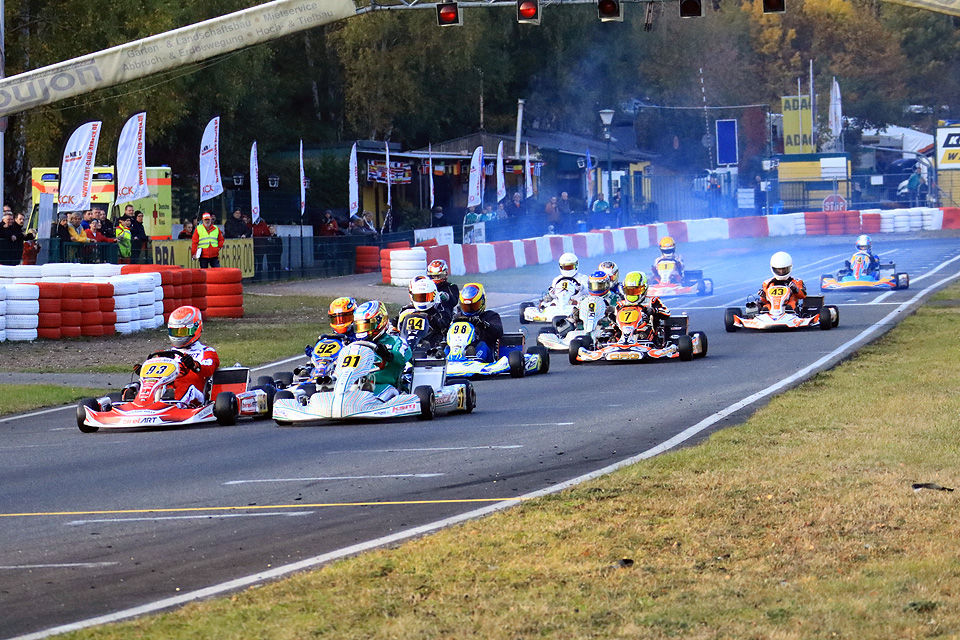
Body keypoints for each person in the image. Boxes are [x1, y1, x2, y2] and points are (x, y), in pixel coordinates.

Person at [150, 305, 220, 408]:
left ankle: (171, 405)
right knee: (146, 385)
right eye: (175, 332)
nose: (179, 336)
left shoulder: (206, 352)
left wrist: (194, 365)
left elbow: (208, 368)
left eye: (183, 332)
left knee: (184, 385)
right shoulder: (166, 354)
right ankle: (138, 402)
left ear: (196, 328)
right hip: (166, 389)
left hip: (195, 392)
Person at [353, 300, 412, 399]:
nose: (363, 330)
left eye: (367, 325)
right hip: (355, 384)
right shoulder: (354, 345)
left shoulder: (396, 341)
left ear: (380, 321)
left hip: (384, 384)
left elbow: (403, 358)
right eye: (360, 326)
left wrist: (388, 355)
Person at [395, 276, 452, 351]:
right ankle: (406, 348)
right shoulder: (407, 310)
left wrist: (432, 319)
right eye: (419, 297)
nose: (421, 300)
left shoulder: (440, 310)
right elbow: (395, 323)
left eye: (425, 297)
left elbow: (445, 325)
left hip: (433, 346)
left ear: (434, 295)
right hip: (407, 342)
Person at [453, 283, 503, 362]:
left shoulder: (490, 316)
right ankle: (446, 361)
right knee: (447, 348)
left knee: (481, 345)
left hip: (485, 350)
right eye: (466, 307)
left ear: (482, 302)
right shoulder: (457, 317)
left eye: (473, 306)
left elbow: (499, 332)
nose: (469, 310)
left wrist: (483, 324)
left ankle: (473, 360)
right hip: (459, 348)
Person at [620, 271, 670, 342]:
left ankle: (648, 345)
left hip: (645, 331)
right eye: (629, 291)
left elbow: (667, 313)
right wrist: (610, 314)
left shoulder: (652, 300)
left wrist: (654, 310)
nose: (632, 294)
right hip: (624, 331)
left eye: (636, 290)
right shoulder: (620, 305)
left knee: (644, 332)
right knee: (614, 333)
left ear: (645, 288)